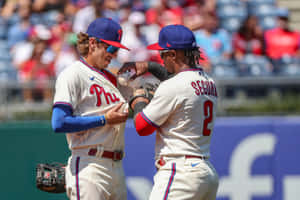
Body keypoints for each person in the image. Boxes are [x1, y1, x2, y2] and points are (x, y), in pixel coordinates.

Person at [119, 24, 219, 200]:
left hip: (181, 173)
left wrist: (139, 100)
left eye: (162, 54)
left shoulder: (173, 86)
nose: (161, 59)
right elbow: (181, 81)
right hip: (206, 172)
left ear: (173, 54)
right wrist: (150, 66)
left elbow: (143, 127)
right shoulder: (209, 82)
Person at [51, 18, 130, 200]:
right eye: (110, 48)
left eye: (116, 50)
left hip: (116, 166)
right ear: (93, 43)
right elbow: (59, 122)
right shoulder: (73, 74)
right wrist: (104, 119)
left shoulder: (112, 79)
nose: (113, 54)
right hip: (89, 164)